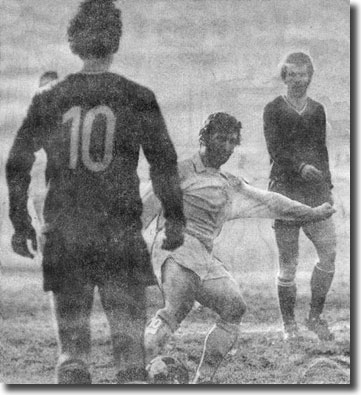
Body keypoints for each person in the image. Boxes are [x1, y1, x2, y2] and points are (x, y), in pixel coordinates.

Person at [6, 0, 185, 385]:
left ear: (74, 43)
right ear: (115, 41)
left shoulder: (50, 97)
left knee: (71, 355)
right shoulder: (138, 96)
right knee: (129, 350)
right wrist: (175, 217)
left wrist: (20, 223)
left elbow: (16, 162)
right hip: (117, 233)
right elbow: (164, 163)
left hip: (64, 233)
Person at [142, 112, 335, 384]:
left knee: (234, 307)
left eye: (233, 141)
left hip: (203, 255)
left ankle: (203, 381)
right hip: (175, 247)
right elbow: (143, 208)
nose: (227, 147)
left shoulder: (229, 182)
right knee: (175, 310)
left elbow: (269, 201)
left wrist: (311, 213)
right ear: (203, 138)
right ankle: (139, 374)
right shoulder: (179, 171)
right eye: (221, 138)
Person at [263, 52, 336, 341]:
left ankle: (315, 317)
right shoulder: (273, 109)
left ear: (310, 76)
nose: (298, 79)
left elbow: (322, 151)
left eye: (303, 74)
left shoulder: (317, 109)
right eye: (292, 74)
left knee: (329, 253)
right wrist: (300, 167)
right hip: (284, 189)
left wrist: (327, 188)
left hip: (314, 192)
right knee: (289, 261)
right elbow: (275, 151)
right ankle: (289, 324)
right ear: (284, 76)